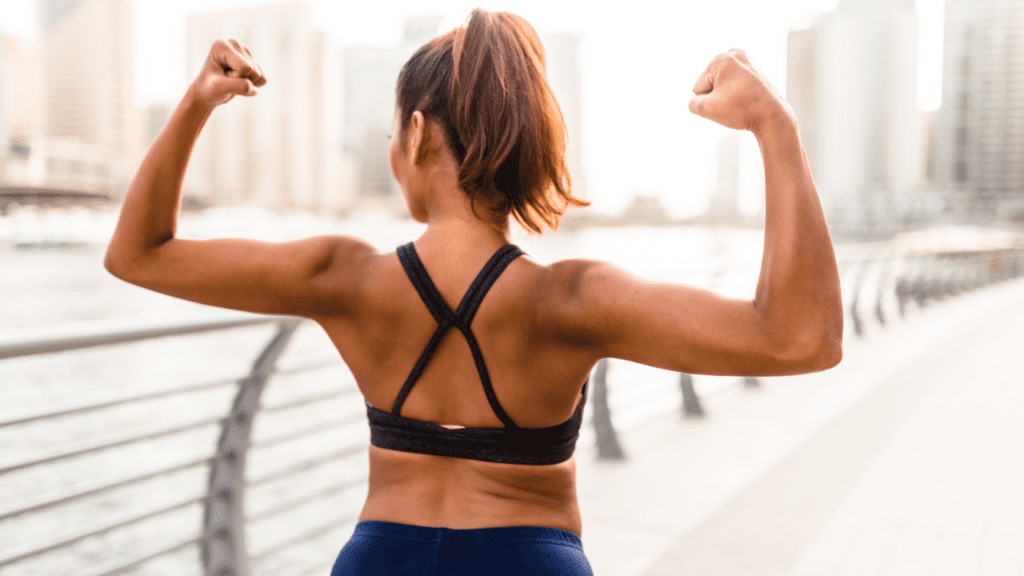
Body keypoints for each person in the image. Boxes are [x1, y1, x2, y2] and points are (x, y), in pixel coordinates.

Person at [105, 8, 843, 576]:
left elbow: (138, 254)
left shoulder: (346, 279)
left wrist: (199, 101)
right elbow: (800, 337)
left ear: (419, 134)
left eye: (394, 134)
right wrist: (774, 127)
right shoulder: (571, 300)